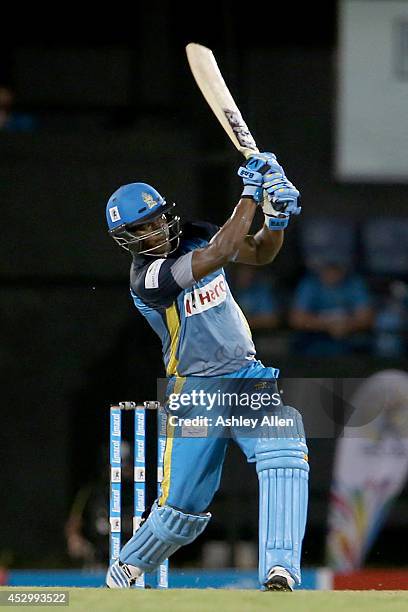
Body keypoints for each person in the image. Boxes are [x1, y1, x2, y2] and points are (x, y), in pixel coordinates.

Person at [104, 152, 309, 591]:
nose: (152, 232)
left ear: (165, 215)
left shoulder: (195, 233)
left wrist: (275, 219)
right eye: (138, 230)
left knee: (285, 444)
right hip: (195, 390)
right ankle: (127, 566)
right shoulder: (149, 279)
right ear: (127, 240)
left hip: (245, 374)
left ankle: (281, 571)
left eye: (154, 220)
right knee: (181, 511)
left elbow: (257, 252)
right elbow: (223, 251)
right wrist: (253, 193)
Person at [289, 259, 373, 356]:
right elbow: (296, 319)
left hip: (349, 336)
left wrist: (347, 325)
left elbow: (366, 318)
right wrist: (328, 326)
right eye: (328, 270)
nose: (332, 274)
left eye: (335, 270)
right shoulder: (310, 284)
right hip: (315, 337)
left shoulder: (354, 283)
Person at [232, 265, 279, 331]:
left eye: (249, 272)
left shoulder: (260, 291)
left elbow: (270, 319)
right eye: (242, 272)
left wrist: (244, 321)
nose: (246, 275)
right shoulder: (227, 289)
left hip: (257, 334)